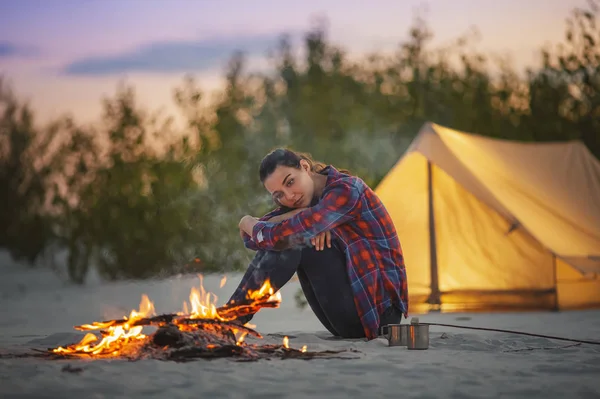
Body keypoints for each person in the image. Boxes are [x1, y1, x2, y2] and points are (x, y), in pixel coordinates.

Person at [228, 148, 408, 340]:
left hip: (377, 315)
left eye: (290, 182)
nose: (289, 196)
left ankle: (231, 318)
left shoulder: (347, 190)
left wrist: (247, 222)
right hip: (344, 316)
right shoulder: (309, 201)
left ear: (305, 167)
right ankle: (230, 317)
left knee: (295, 239)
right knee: (294, 236)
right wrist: (307, 219)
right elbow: (256, 239)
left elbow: (267, 234)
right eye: (279, 195)